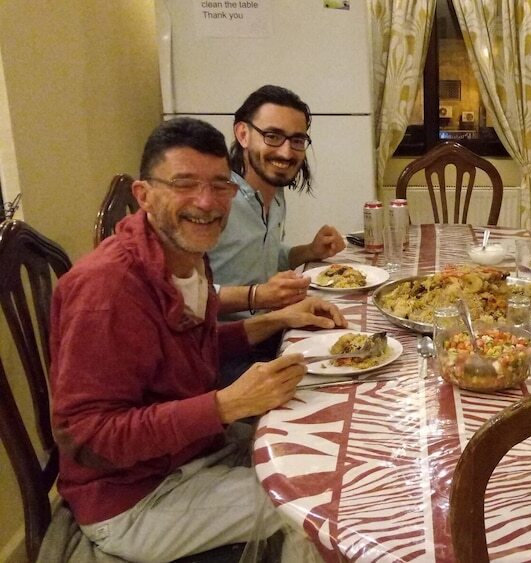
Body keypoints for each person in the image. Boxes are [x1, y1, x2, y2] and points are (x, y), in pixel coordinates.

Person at [48, 117, 345, 561]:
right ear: (144, 195)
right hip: (134, 499)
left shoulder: (185, 254)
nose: (206, 203)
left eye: (220, 185)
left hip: (195, 454)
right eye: (184, 184)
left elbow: (184, 348)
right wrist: (225, 406)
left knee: (330, 445)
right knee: (316, 506)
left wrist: (276, 319)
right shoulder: (106, 291)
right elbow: (88, 437)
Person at [210, 84, 347, 319]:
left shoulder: (276, 196)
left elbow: (264, 258)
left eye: (297, 140)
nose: (286, 153)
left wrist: (310, 251)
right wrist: (258, 295)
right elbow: (179, 296)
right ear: (243, 134)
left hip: (269, 327)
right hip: (224, 338)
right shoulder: (215, 200)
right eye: (272, 136)